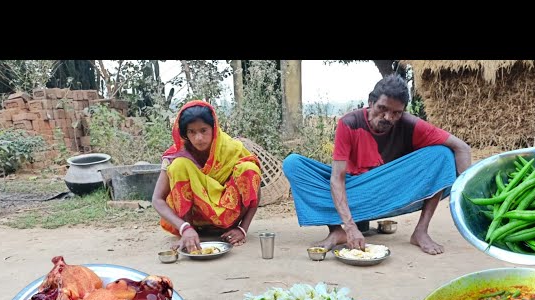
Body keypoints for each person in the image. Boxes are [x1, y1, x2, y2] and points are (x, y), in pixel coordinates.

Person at [282, 74, 471, 255]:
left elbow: (462, 148)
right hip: (352, 187)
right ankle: (336, 230)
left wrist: (469, 203)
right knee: (293, 164)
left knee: (442, 154)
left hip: (385, 189)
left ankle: (421, 231)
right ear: (371, 102)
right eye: (382, 108)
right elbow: (336, 179)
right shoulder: (349, 123)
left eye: (396, 113)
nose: (388, 117)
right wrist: (350, 226)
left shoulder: (410, 124)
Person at [152, 100, 262, 253]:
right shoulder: (176, 155)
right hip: (194, 223)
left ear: (214, 128)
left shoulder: (231, 148)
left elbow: (255, 185)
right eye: (192, 132)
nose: (199, 138)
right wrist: (185, 228)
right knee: (179, 166)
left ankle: (230, 228)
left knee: (248, 168)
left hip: (228, 221)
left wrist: (243, 229)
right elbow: (157, 199)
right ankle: (191, 233)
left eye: (204, 130)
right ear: (185, 134)